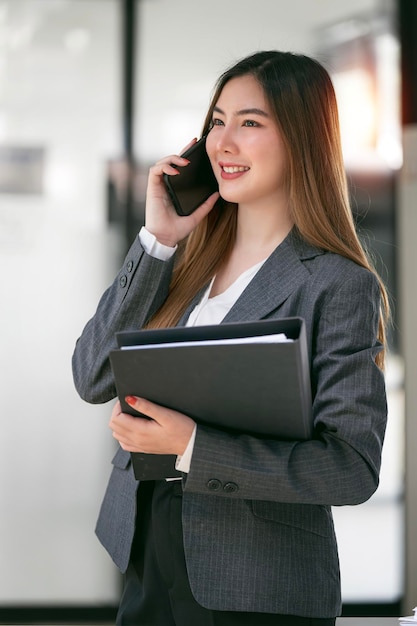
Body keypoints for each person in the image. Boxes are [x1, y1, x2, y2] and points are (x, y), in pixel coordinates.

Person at [72, 50, 389, 625]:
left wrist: (193, 446)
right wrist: (157, 241)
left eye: (250, 123)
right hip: (149, 551)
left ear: (303, 140)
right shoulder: (182, 260)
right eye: (217, 122)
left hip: (255, 581)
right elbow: (93, 375)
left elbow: (351, 468)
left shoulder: (338, 284)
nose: (222, 143)